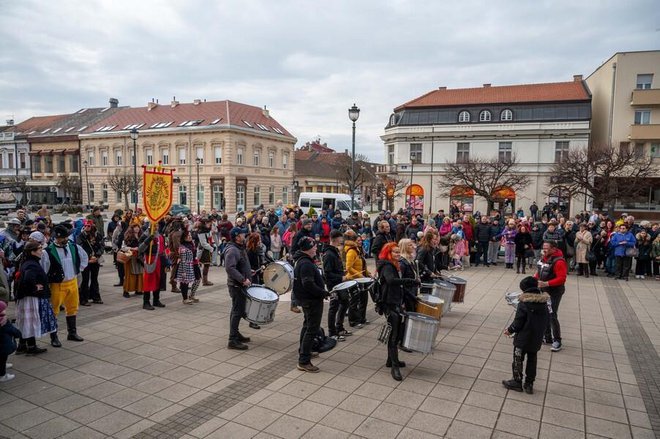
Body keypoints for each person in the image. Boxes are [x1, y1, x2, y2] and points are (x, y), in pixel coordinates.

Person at [377, 242, 419, 381]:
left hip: (395, 302)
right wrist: (409, 280)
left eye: (397, 252)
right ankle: (394, 367)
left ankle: (391, 360)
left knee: (397, 333)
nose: (397, 254)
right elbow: (391, 281)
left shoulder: (393, 264)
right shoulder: (387, 266)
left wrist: (412, 296)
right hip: (389, 303)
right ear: (388, 253)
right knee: (394, 336)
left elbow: (398, 287)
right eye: (394, 252)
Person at [41, 224, 88, 347]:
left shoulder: (73, 247)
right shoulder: (48, 251)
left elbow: (84, 257)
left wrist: (79, 270)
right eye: (62, 238)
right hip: (57, 285)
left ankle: (72, 333)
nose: (65, 240)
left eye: (66, 237)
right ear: (56, 238)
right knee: (54, 311)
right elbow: (44, 269)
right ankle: (54, 337)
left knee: (72, 308)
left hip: (72, 282)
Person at [502, 276, 549, 394]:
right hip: (536, 337)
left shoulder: (524, 303)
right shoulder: (544, 303)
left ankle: (517, 381)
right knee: (532, 359)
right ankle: (529, 383)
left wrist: (510, 330)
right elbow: (547, 320)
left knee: (518, 357)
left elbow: (518, 321)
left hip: (523, 337)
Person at [14, 241, 55, 355]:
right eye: (39, 249)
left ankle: (22, 346)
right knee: (30, 322)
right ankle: (31, 347)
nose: (41, 251)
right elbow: (28, 278)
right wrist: (35, 287)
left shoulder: (28, 262)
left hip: (27, 297)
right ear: (32, 252)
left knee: (25, 321)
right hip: (30, 298)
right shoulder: (31, 264)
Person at [292, 237, 326, 373]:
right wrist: (323, 292)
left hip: (308, 300)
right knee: (312, 329)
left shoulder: (303, 260)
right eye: (313, 247)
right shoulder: (305, 263)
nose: (316, 248)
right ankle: (304, 361)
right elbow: (308, 284)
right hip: (311, 300)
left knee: (307, 326)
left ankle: (304, 351)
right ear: (307, 249)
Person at [534, 240, 567, 352]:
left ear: (554, 249)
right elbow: (539, 272)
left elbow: (562, 278)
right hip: (544, 290)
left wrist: (547, 283)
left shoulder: (559, 261)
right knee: (544, 313)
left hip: (555, 292)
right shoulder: (544, 258)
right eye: (543, 247)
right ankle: (547, 337)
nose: (544, 249)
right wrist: (533, 280)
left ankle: (557, 340)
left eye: (547, 248)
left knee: (552, 314)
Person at [224, 227, 253, 350]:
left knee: (237, 310)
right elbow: (230, 268)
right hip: (236, 286)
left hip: (240, 284)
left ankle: (236, 333)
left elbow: (239, 264)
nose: (244, 235)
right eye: (242, 234)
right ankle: (232, 340)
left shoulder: (240, 247)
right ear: (237, 237)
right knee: (237, 311)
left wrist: (248, 272)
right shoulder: (232, 250)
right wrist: (242, 279)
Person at [324, 230, 349, 341]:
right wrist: (340, 277)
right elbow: (327, 273)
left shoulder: (334, 251)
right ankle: (332, 332)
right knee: (334, 307)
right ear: (336, 239)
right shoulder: (329, 254)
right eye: (340, 238)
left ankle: (339, 327)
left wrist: (342, 271)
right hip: (334, 285)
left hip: (339, 283)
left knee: (345, 302)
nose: (342, 240)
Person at [344, 230, 371, 328]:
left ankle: (362, 318)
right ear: (353, 241)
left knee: (364, 299)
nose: (360, 242)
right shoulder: (351, 251)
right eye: (358, 240)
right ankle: (353, 320)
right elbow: (348, 268)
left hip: (362, 279)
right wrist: (360, 276)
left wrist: (368, 274)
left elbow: (363, 265)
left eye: (361, 240)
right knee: (354, 301)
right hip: (354, 280)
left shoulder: (359, 250)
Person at [138, 226, 168, 310]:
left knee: (158, 280)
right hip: (150, 260)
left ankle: (156, 300)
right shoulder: (145, 235)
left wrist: (166, 262)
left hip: (160, 260)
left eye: (157, 224)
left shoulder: (160, 235)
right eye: (154, 224)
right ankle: (146, 302)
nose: (156, 226)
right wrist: (148, 239)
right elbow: (140, 249)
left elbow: (163, 249)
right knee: (148, 281)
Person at [77, 220, 104, 306]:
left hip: (96, 259)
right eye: (86, 226)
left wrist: (97, 255)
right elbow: (80, 247)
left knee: (94, 279)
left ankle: (95, 297)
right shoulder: (81, 236)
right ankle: (83, 299)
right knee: (85, 280)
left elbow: (102, 245)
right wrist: (88, 256)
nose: (87, 227)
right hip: (86, 260)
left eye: (89, 226)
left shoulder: (97, 235)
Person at [176, 229, 202, 304]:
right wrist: (184, 271)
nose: (190, 236)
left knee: (198, 279)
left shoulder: (192, 244)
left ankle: (192, 295)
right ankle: (185, 298)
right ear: (184, 237)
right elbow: (183, 259)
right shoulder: (182, 247)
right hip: (185, 265)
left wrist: (197, 261)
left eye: (190, 235)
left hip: (194, 264)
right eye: (188, 236)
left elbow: (194, 254)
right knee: (185, 281)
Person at [0, 301, 21, 382]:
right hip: (4, 345)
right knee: (2, 359)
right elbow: (13, 330)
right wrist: (18, 334)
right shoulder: (3, 322)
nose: (5, 311)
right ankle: (2, 375)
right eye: (4, 309)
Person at [122, 225, 144, 298]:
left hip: (139, 258)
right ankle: (126, 291)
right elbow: (123, 247)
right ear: (132, 228)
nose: (137, 228)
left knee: (140, 274)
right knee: (129, 275)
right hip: (130, 258)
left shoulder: (142, 236)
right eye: (135, 227)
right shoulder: (128, 237)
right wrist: (133, 248)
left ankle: (138, 289)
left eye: (138, 227)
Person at [196, 218, 215, 286]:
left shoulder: (207, 229)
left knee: (207, 265)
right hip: (204, 250)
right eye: (208, 223)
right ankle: (204, 281)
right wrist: (211, 248)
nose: (210, 224)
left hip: (208, 248)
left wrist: (213, 244)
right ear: (204, 223)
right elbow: (203, 243)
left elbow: (210, 238)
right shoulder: (201, 231)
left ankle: (205, 280)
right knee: (206, 265)